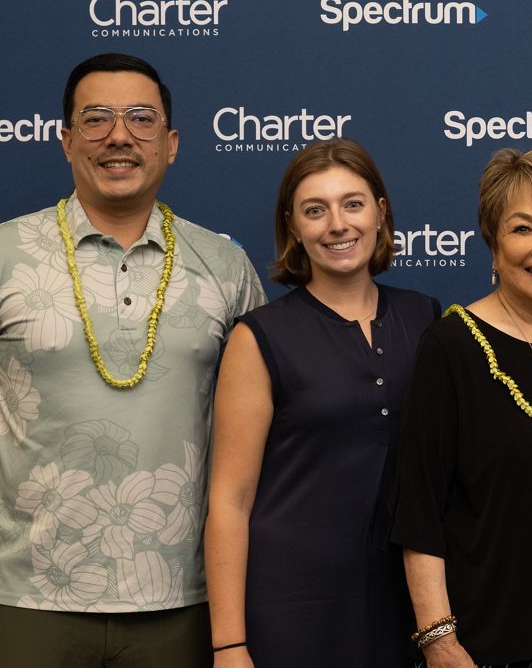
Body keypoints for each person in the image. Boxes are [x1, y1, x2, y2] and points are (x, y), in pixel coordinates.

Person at [0, 53, 264, 667]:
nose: (119, 136)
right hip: (27, 598)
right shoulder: (7, 254)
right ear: (66, 140)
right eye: (96, 119)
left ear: (171, 144)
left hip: (184, 602)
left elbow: (261, 441)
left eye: (142, 119)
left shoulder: (224, 268)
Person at [204, 139, 441, 667]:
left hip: (405, 607)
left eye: (352, 204)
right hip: (290, 609)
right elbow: (230, 501)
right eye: (316, 210)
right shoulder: (259, 336)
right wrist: (229, 645)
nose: (337, 224)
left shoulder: (426, 319)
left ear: (381, 212)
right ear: (293, 227)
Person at [387, 145, 532, 667]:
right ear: (492, 247)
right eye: (522, 229)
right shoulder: (451, 347)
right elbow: (419, 511)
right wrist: (439, 641)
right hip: (484, 650)